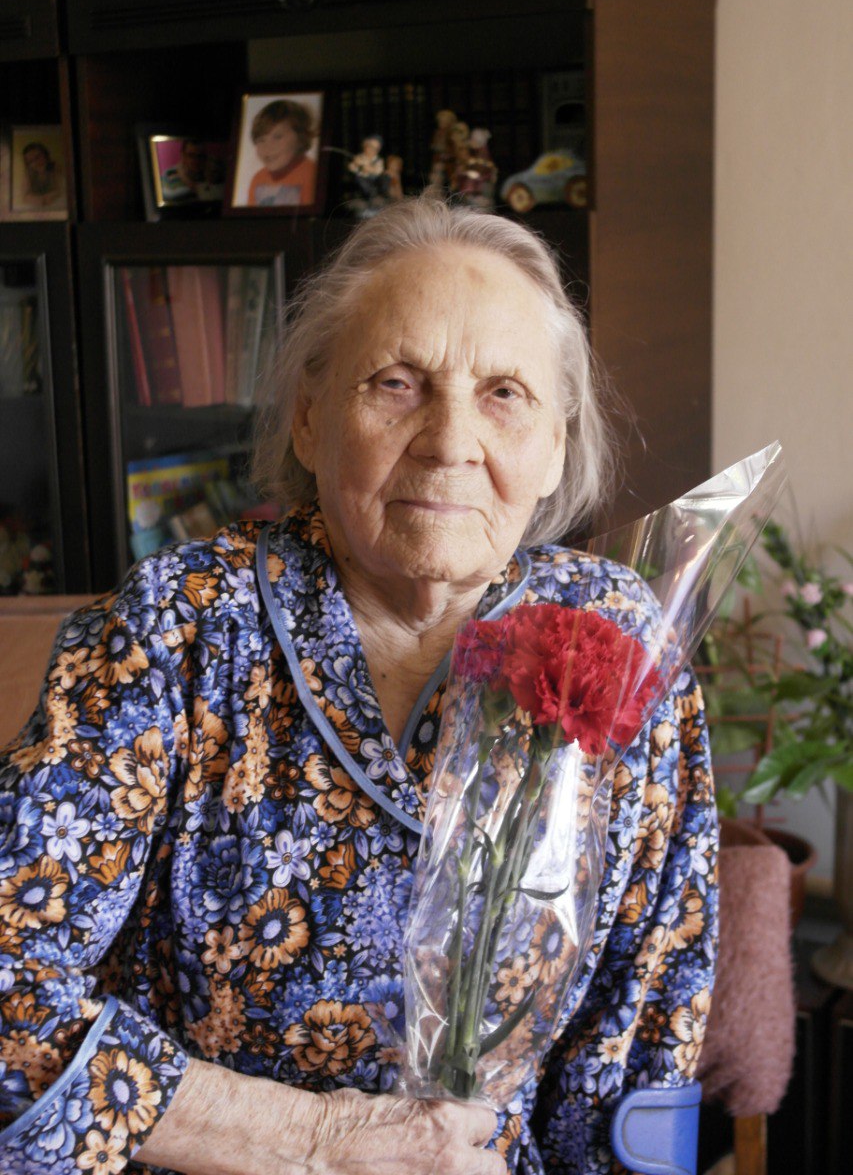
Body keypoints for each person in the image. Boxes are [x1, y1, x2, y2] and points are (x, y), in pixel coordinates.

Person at [0, 198, 717, 1175]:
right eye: (396, 383)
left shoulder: (612, 634)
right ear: (309, 417)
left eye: (504, 392)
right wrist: (314, 1141)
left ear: (556, 444)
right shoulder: (177, 626)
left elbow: (642, 1029)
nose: (449, 440)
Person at [246, 99, 317, 207]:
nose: (267, 148)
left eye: (277, 137)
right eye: (261, 140)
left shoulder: (311, 174)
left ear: (300, 138)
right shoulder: (258, 179)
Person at [19, 141, 64, 209]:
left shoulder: (55, 168)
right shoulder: (28, 173)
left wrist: (52, 195)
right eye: (30, 161)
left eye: (38, 157)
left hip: (55, 203)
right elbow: (24, 197)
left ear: (46, 155)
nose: (35, 162)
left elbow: (61, 190)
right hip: (38, 205)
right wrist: (41, 199)